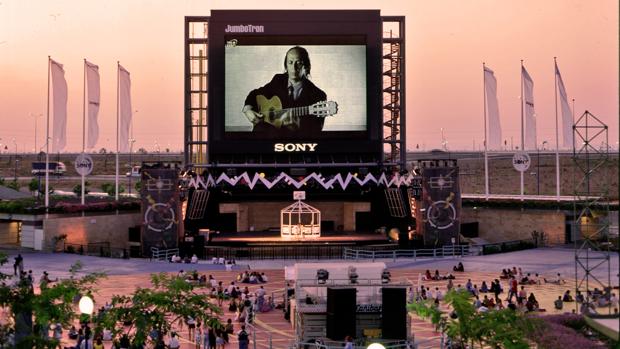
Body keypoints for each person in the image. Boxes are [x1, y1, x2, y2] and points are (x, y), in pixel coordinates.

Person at [242, 46, 330, 137]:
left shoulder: (318, 95)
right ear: (286, 65)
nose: (293, 68)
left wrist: (297, 127)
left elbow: (315, 132)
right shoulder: (278, 80)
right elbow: (255, 94)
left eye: (298, 63)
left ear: (306, 66)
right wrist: (248, 109)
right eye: (290, 62)